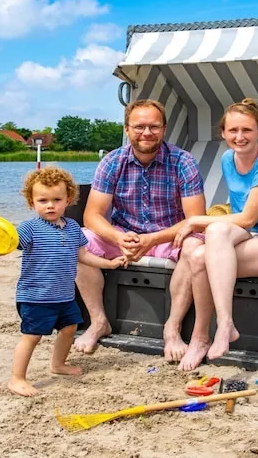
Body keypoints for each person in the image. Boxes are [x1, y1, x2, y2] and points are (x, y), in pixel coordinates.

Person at [173, 98, 258, 370]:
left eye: (247, 130)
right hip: (251, 236)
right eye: (232, 131)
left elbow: (248, 217)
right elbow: (243, 222)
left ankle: (224, 324)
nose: (239, 137)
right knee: (200, 252)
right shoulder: (227, 159)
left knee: (214, 232)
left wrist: (195, 221)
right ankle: (200, 337)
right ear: (223, 133)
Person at [73, 99, 206, 362]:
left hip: (169, 235)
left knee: (195, 246)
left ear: (164, 128)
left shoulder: (183, 161)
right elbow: (92, 215)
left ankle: (173, 328)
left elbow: (196, 219)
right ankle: (99, 321)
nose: (147, 132)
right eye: (139, 126)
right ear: (127, 129)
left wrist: (152, 239)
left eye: (154, 126)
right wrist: (118, 237)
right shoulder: (112, 161)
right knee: (77, 240)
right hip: (124, 234)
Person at [0, 166, 127, 397]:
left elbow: (82, 256)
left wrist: (109, 263)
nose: (50, 205)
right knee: (32, 336)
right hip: (36, 296)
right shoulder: (30, 228)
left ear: (68, 200)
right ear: (31, 202)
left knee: (69, 329)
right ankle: (17, 379)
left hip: (64, 295)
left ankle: (58, 365)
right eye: (43, 200)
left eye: (57, 199)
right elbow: (9, 244)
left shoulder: (73, 227)